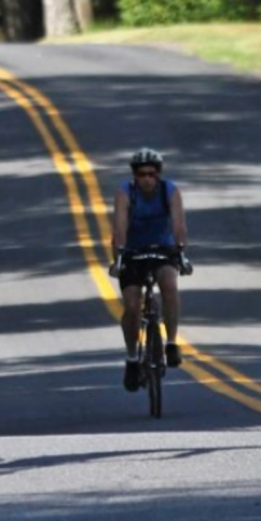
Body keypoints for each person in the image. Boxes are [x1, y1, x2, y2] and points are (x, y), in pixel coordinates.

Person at [111, 147, 188, 393]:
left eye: (152, 174)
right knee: (132, 305)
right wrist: (119, 255)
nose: (147, 179)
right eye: (142, 174)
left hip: (163, 248)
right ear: (135, 175)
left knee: (169, 284)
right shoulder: (125, 193)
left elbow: (178, 224)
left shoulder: (170, 191)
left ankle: (172, 342)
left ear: (158, 175)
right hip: (133, 251)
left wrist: (180, 249)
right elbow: (120, 226)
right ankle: (132, 358)